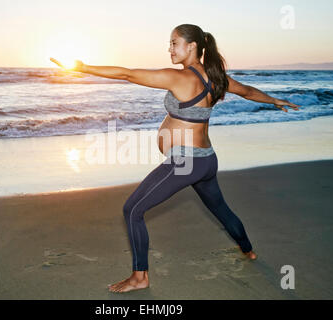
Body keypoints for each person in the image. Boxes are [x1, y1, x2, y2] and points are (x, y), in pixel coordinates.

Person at [52, 24, 300, 293]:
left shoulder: (179, 78)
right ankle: (248, 251)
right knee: (221, 210)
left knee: (132, 210)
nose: (169, 49)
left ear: (191, 46)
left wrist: (82, 67)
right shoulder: (216, 77)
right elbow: (249, 92)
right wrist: (275, 100)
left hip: (186, 163)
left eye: (174, 43)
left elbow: (127, 74)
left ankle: (139, 277)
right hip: (206, 160)